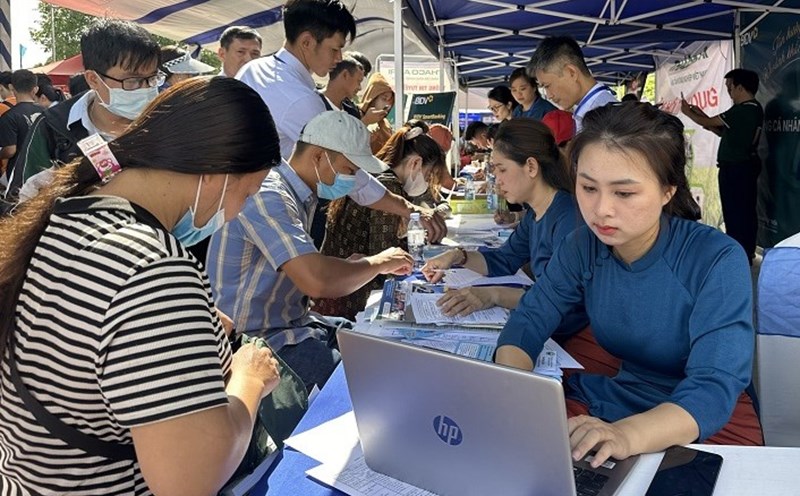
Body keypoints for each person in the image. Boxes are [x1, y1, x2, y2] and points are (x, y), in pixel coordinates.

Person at [0, 76, 284, 495]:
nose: (237, 211)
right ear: (217, 173)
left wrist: (190, 328)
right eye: (246, 193)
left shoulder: (66, 217)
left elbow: (86, 334)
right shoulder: (153, 267)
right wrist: (250, 378)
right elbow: (188, 479)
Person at [495, 103, 762, 470]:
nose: (601, 209)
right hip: (619, 398)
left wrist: (626, 436)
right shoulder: (583, 245)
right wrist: (511, 388)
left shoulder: (715, 258)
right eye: (588, 187)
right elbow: (530, 319)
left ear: (668, 190)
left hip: (703, 424)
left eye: (624, 193)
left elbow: (713, 386)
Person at [207, 111, 414, 392]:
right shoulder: (270, 194)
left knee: (380, 349)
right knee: (369, 383)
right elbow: (317, 280)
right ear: (318, 156)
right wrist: (378, 263)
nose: (353, 179)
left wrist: (356, 265)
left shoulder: (299, 193)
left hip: (294, 324)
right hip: (255, 342)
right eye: (350, 170)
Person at [236, 0, 446, 243]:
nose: (339, 58)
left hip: (244, 207)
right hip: (269, 213)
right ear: (307, 42)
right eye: (335, 49)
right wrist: (409, 209)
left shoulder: (255, 69)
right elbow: (350, 172)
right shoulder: (300, 99)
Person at [422, 119, 587, 341]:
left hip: (569, 336)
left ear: (531, 167)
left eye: (502, 169)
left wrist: (494, 294)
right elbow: (504, 260)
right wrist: (457, 256)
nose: (497, 180)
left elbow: (562, 299)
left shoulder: (567, 218)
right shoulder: (536, 214)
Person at [6, 18, 160, 199]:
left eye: (152, 78)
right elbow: (20, 202)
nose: (146, 89)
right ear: (93, 79)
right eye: (132, 81)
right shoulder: (54, 127)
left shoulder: (167, 119)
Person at [317, 126, 446, 320]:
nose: (427, 182)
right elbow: (385, 257)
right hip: (350, 299)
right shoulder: (389, 185)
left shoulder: (381, 180)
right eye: (428, 176)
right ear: (416, 163)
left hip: (341, 288)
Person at [680, 69, 763, 263]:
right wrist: (699, 113)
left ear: (740, 87)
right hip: (742, 167)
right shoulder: (753, 109)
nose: (729, 92)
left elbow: (708, 122)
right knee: (743, 210)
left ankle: (738, 252)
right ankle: (745, 251)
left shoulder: (743, 110)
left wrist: (688, 113)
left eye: (730, 88)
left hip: (736, 168)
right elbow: (720, 130)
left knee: (735, 212)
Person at [527, 35, 617, 132]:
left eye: (547, 86)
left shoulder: (604, 118)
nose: (549, 96)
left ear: (571, 73)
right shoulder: (597, 109)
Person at [0, 70, 44, 183]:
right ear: (35, 89)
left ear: (11, 87)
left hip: (19, 170)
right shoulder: (46, 112)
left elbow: (10, 150)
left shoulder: (8, 116)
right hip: (44, 168)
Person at [360, 71, 395, 154]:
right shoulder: (355, 115)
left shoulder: (385, 124)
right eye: (384, 98)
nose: (387, 104)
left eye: (390, 100)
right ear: (372, 98)